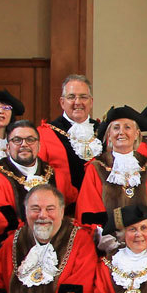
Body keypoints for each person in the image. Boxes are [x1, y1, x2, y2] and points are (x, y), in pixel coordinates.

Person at [0, 120, 66, 256]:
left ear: (39, 145)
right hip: (14, 249)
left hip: (57, 247)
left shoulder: (57, 175)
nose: (24, 144)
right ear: (7, 147)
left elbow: (68, 210)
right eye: (17, 140)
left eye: (30, 140)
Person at [75, 105, 147, 239]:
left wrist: (143, 237)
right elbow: (89, 209)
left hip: (142, 241)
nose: (121, 132)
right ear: (109, 135)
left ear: (137, 134)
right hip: (105, 242)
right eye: (116, 128)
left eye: (127, 127)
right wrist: (106, 239)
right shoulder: (96, 168)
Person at [37, 73, 99, 206]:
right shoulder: (45, 133)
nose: (78, 102)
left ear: (91, 101)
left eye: (83, 97)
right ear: (62, 102)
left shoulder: (104, 131)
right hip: (63, 208)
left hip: (100, 207)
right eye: (71, 97)